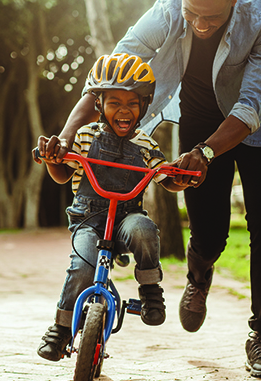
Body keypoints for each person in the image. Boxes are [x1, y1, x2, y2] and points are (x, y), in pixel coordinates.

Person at [41, 0, 261, 378]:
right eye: (191, 12)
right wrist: (68, 134)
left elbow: (251, 105)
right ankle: (199, 276)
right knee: (209, 232)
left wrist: (207, 153)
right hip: (198, 119)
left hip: (259, 122)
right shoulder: (166, 11)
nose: (198, 23)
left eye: (211, 16)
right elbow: (110, 74)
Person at [35, 53, 190, 362]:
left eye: (132, 103)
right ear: (99, 105)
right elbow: (63, 173)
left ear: (144, 106)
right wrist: (53, 160)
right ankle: (61, 328)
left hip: (126, 218)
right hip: (88, 219)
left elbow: (165, 178)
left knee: (144, 230)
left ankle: (149, 290)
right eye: (114, 102)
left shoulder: (146, 144)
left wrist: (181, 177)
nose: (123, 110)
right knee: (82, 265)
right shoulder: (84, 136)